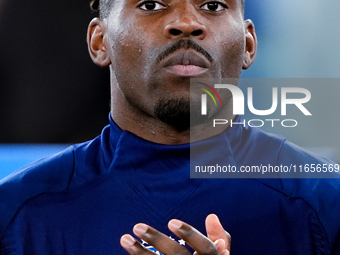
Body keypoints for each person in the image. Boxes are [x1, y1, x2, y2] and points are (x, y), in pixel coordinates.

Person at [1, 0, 340, 254]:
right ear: (99, 41)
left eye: (212, 5)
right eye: (151, 4)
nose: (187, 23)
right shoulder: (14, 214)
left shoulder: (327, 202)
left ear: (249, 44)